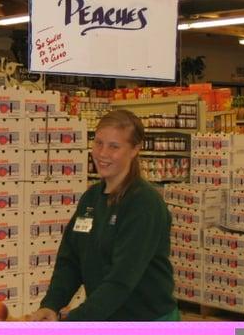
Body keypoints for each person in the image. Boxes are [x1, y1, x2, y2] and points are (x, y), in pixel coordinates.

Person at [30, 110, 178, 321]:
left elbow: (122, 279)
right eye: (98, 143)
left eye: (114, 146)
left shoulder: (144, 205)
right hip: (107, 318)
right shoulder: (91, 199)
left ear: (135, 149)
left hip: (146, 321)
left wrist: (77, 320)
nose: (102, 153)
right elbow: (71, 261)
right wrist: (52, 304)